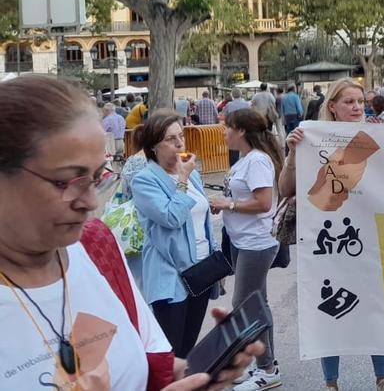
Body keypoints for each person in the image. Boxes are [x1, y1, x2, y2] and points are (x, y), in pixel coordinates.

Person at [0, 76, 261, 391]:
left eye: (98, 177)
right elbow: (167, 218)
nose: (91, 201)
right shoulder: (148, 183)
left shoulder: (96, 246)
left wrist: (201, 375)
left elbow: (154, 369)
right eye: (68, 180)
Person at [283, 78, 384, 391]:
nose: (357, 107)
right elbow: (286, 189)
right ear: (332, 106)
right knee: (329, 309)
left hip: (371, 239)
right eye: (348, 101)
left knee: (376, 307)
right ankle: (331, 382)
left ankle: (383, 377)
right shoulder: (310, 138)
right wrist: (294, 153)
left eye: (360, 101)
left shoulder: (374, 136)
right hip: (329, 243)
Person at [129, 110, 217, 357]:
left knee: (188, 348)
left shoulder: (193, 174)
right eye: (171, 139)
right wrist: (182, 179)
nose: (180, 143)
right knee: (170, 352)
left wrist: (216, 262)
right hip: (170, 277)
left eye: (181, 135)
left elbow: (205, 222)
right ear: (154, 147)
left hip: (201, 272)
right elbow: (171, 217)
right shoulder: (144, 180)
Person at [207, 108, 283, 391]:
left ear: (240, 131)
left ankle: (267, 368)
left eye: (228, 127)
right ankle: (266, 365)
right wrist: (225, 202)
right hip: (243, 241)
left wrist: (227, 205)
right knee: (257, 304)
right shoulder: (245, 159)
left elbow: (264, 203)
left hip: (257, 242)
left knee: (245, 306)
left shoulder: (257, 161)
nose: (224, 132)